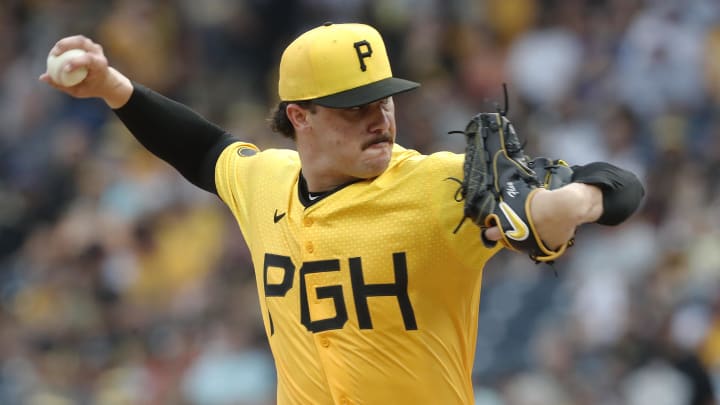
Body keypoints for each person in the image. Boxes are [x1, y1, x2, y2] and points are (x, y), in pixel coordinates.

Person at [41, 22, 641, 405]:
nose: (379, 118)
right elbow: (201, 148)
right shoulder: (266, 180)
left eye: (384, 101)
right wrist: (113, 86)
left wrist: (570, 204)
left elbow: (621, 186)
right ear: (300, 116)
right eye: (355, 107)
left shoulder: (440, 183)